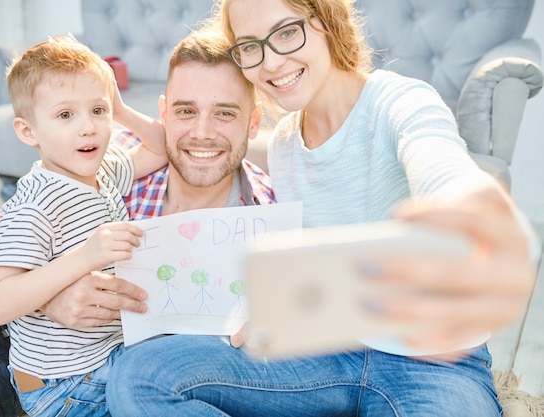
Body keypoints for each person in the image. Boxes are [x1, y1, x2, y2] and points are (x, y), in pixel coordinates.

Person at [103, 1, 539, 416]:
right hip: (321, 353)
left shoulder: (399, 101)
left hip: (432, 361)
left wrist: (468, 206)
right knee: (140, 377)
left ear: (326, 20)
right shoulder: (285, 144)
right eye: (251, 45)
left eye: (287, 32)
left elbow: (441, 165)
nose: (271, 62)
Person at [0, 29, 272, 416]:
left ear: (253, 122)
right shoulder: (75, 169)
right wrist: (54, 294)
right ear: (166, 113)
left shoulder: (107, 168)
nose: (201, 132)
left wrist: (114, 105)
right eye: (186, 111)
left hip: (56, 372)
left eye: (224, 112)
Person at [0, 34, 172, 416]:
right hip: (63, 385)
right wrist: (87, 256)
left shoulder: (105, 168)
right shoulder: (37, 202)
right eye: (66, 115)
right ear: (28, 131)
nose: (89, 128)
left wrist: (121, 109)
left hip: (103, 358)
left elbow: (161, 147)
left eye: (97, 111)